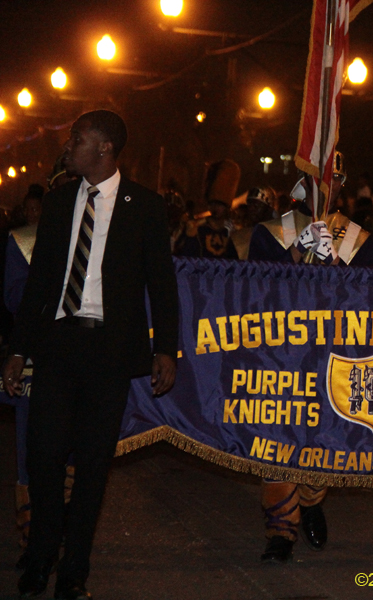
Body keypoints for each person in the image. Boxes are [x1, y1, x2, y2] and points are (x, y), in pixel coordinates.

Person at [3, 110, 179, 599]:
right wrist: (18, 349)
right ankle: (39, 558)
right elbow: (40, 283)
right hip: (58, 345)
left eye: (77, 139)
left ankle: (74, 570)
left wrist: (167, 348)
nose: (68, 147)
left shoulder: (143, 205)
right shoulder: (59, 202)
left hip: (110, 351)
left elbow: (161, 284)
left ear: (104, 148)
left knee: (93, 466)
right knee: (43, 456)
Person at [248, 151, 373, 563]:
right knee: (277, 440)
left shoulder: (358, 237)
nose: (329, 186)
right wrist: (293, 256)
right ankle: (280, 527)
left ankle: (312, 499)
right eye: (320, 178)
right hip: (280, 352)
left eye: (335, 179)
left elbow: (372, 300)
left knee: (325, 436)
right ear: (303, 183)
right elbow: (251, 294)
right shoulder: (270, 232)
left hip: (334, 352)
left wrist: (336, 264)